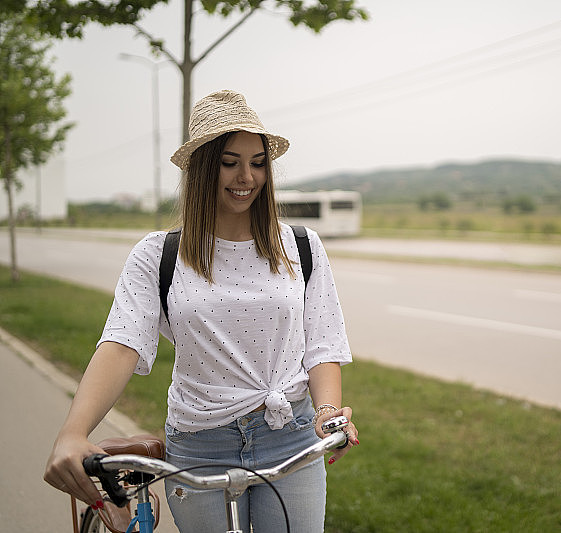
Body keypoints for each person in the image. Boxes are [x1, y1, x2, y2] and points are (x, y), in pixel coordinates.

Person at [44, 89, 358, 532]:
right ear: (202, 168)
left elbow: (322, 345)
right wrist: (73, 433)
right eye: (229, 162)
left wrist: (327, 412)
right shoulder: (157, 254)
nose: (246, 176)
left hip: (290, 436)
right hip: (200, 442)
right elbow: (121, 344)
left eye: (258, 162)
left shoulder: (302, 246)